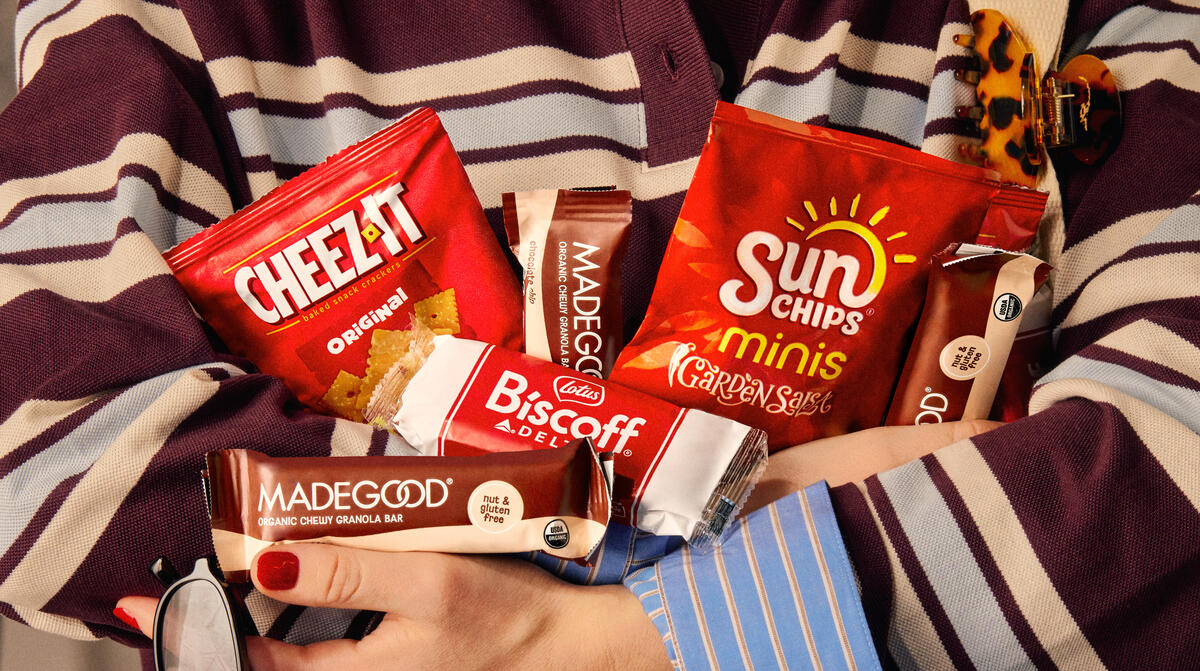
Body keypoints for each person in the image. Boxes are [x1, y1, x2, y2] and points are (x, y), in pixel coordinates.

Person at [1, 0, 1197, 669]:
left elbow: (1174, 461)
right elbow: (45, 460)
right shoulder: (167, 21)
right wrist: (739, 499)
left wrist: (622, 638)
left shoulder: (1059, 17)